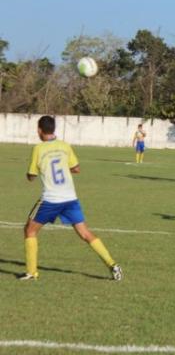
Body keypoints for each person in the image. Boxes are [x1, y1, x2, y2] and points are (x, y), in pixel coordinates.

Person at [19, 116, 122, 281]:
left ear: (39, 130)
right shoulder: (65, 146)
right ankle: (113, 265)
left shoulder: (38, 149)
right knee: (85, 233)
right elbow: (76, 169)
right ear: (53, 129)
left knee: (30, 230)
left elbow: (31, 176)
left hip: (51, 200)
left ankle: (32, 272)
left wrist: (30, 175)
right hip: (70, 198)